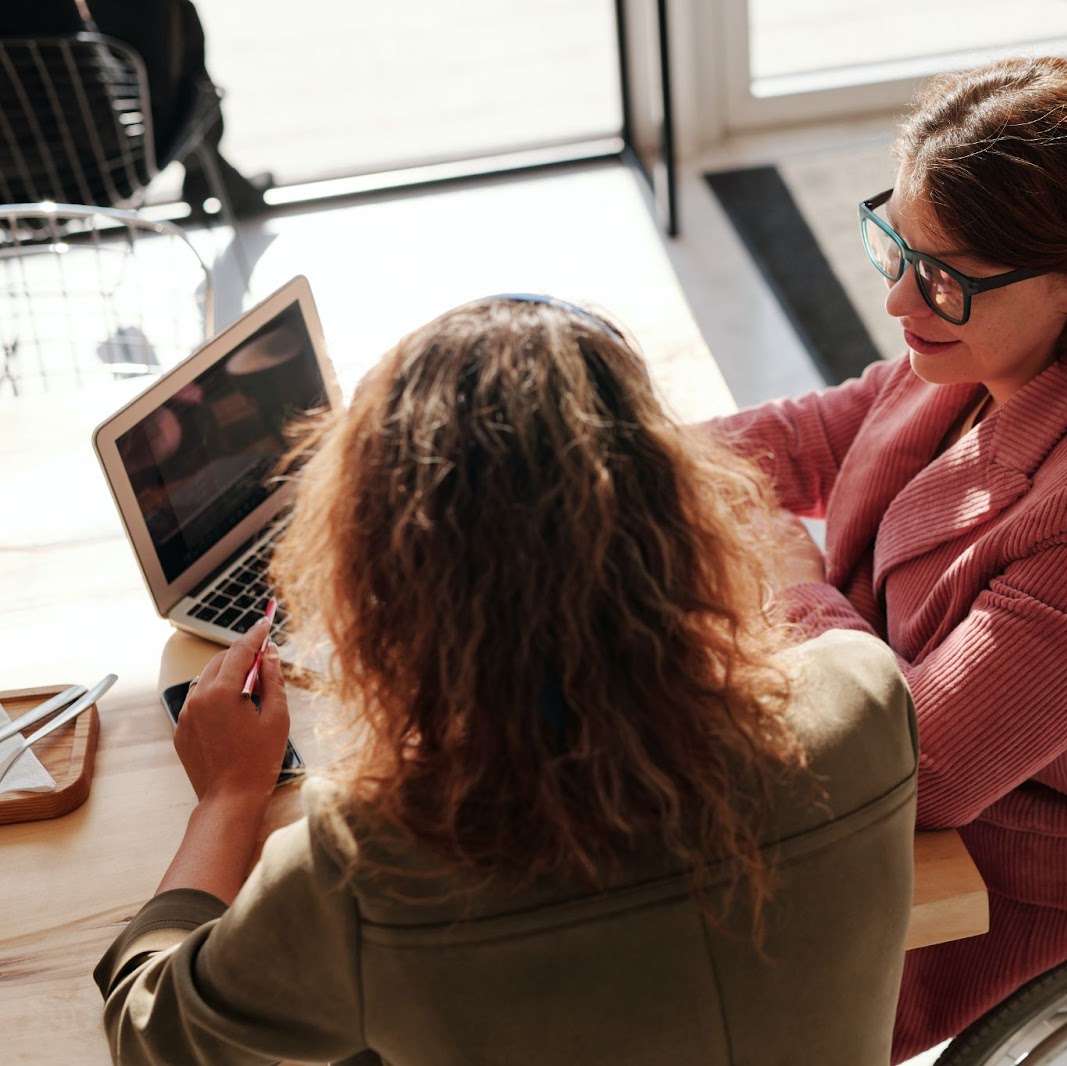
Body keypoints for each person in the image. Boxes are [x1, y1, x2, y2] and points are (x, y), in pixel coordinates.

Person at [94, 296, 920, 1065]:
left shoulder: (368, 865)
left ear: (384, 579)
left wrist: (229, 798)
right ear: (681, 512)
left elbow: (152, 1033)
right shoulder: (865, 697)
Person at [712, 56, 1067, 1061]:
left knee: (709, 958)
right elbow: (823, 431)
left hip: (1038, 839)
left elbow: (922, 772)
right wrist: (611, 453)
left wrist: (786, 572)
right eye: (892, 244)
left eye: (937, 275)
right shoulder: (997, 332)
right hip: (951, 713)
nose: (899, 301)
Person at [1, 0, 268, 217]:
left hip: (6, 192)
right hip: (101, 167)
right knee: (165, 15)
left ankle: (205, 168)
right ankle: (204, 164)